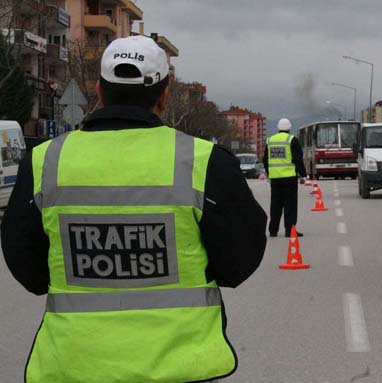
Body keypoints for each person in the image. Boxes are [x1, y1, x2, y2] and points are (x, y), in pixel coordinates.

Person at [1, 35, 267, 383]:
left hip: (74, 365)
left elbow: (25, 262)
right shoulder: (203, 161)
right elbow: (238, 261)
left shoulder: (45, 160)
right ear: (165, 95)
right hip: (179, 367)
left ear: (98, 90)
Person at [263, 118, 307, 238]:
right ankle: (290, 230)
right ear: (289, 128)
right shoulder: (292, 140)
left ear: (278, 128)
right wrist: (303, 174)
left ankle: (273, 230)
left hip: (275, 179)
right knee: (290, 205)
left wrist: (269, 173)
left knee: (275, 205)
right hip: (289, 178)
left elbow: (265, 160)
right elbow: (298, 159)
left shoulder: (270, 140)